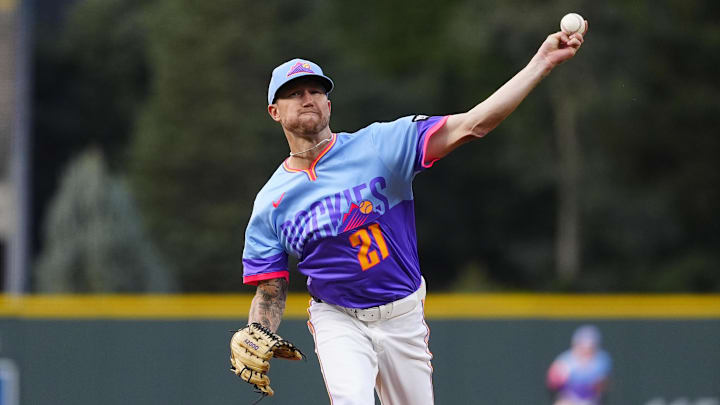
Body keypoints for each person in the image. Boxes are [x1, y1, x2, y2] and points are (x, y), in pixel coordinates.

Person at [238, 23, 588, 405]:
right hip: (337, 317)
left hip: (401, 313)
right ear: (274, 111)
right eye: (293, 94)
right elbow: (270, 288)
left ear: (329, 105)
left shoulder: (380, 146)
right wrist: (257, 329)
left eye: (315, 91)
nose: (307, 98)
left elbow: (473, 124)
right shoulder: (270, 201)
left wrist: (541, 62)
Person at [546, 325, 612, 405]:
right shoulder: (565, 360)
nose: (586, 350)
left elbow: (602, 386)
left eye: (590, 347)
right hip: (568, 398)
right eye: (582, 345)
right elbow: (552, 382)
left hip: (591, 400)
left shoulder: (601, 361)